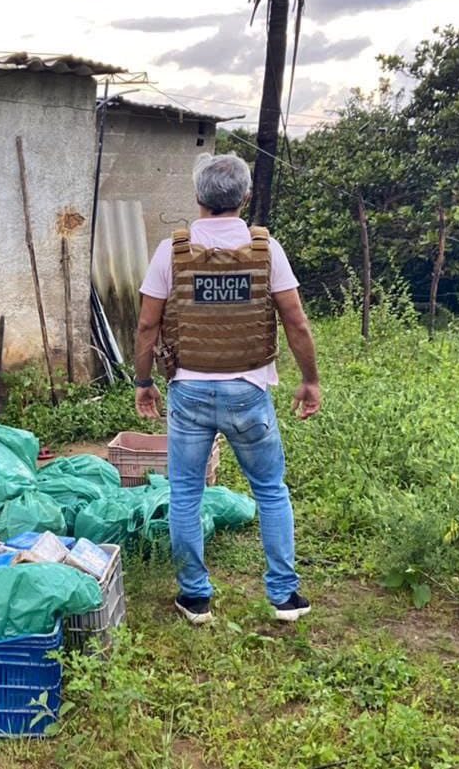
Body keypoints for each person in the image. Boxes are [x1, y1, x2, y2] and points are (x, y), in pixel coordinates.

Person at [133, 153, 321, 625]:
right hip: (248, 391)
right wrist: (310, 380)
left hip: (189, 392)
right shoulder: (267, 250)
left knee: (186, 494)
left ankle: (195, 598)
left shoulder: (170, 252)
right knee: (271, 491)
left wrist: (143, 382)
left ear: (197, 196)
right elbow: (295, 321)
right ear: (246, 196)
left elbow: (146, 326)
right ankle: (284, 597)